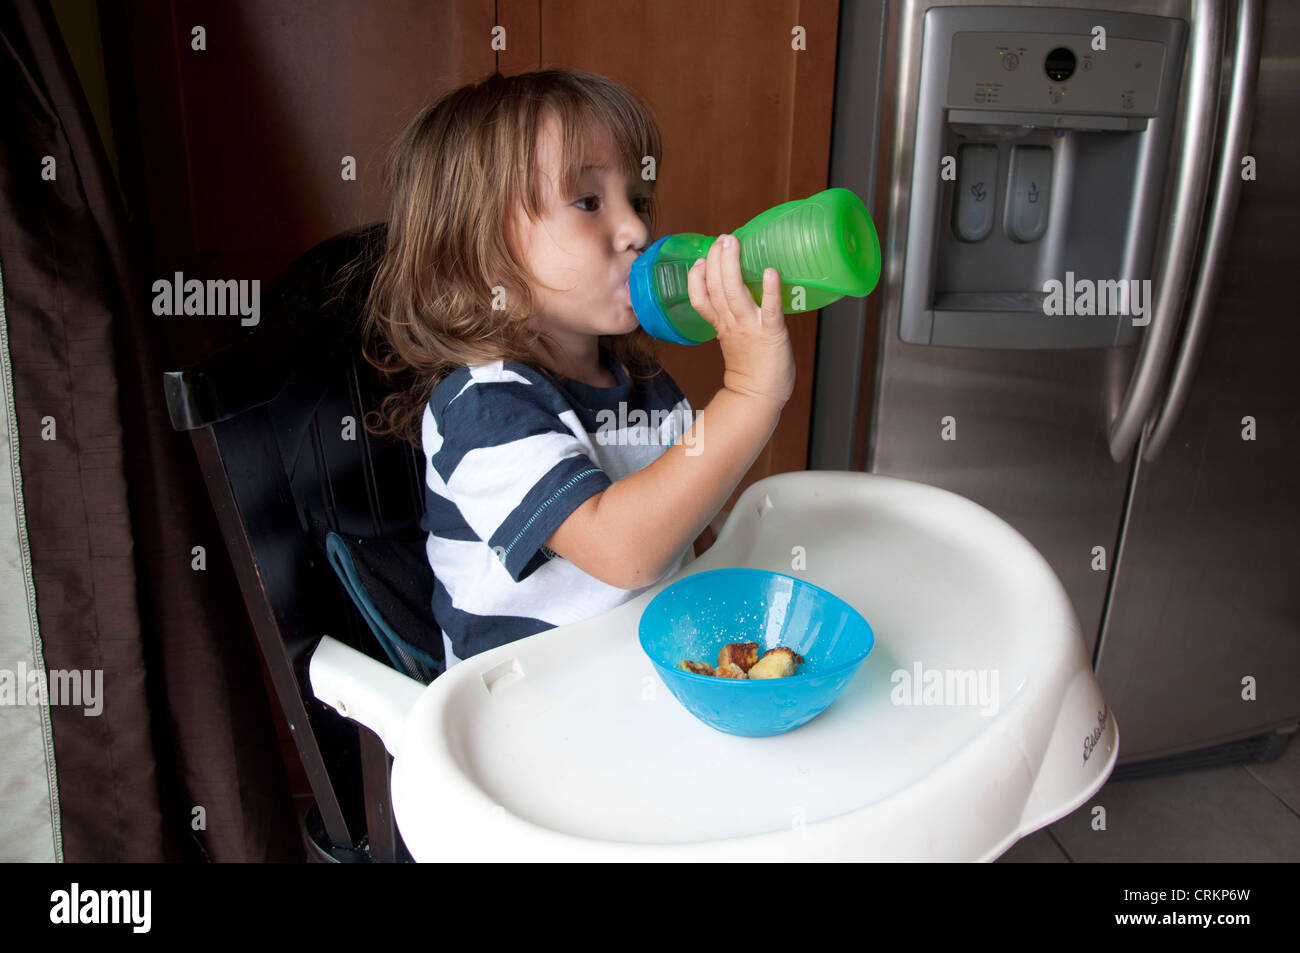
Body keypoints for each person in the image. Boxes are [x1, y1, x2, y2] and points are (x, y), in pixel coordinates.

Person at [356, 69, 794, 669]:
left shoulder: (642, 386)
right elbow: (624, 550)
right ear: (478, 247)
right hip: (531, 709)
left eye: (637, 201)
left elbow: (685, 534)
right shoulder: (482, 409)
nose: (638, 228)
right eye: (589, 202)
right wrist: (749, 393)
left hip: (636, 673)